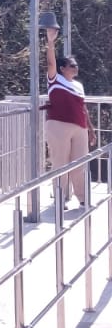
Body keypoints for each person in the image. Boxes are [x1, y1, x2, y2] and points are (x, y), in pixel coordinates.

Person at [43, 23, 96, 210]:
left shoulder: (78, 86)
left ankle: (83, 199)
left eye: (76, 65)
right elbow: (50, 63)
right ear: (63, 68)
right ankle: (60, 198)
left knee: (80, 163)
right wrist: (50, 42)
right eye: (72, 65)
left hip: (79, 127)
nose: (76, 68)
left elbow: (83, 108)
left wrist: (91, 130)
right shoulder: (55, 79)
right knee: (60, 163)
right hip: (58, 125)